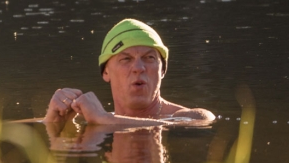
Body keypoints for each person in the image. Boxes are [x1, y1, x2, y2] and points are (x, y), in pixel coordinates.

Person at [45, 19, 214, 126]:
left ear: (162, 69)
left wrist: (105, 120)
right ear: (106, 72)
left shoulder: (185, 117)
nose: (138, 68)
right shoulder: (94, 118)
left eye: (149, 58)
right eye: (126, 59)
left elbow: (205, 118)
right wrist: (53, 122)